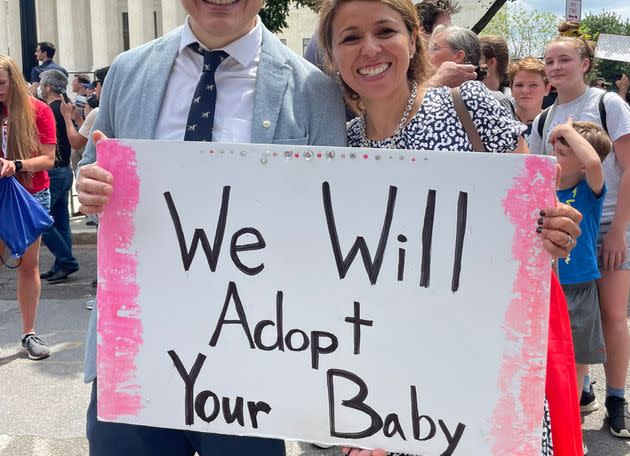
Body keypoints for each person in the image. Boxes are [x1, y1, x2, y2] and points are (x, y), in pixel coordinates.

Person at [75, 0, 347, 454]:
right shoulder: (128, 71)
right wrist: (91, 186)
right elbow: (92, 169)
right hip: (136, 350)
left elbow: (332, 221)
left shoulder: (313, 90)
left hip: (253, 359)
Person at [317, 0, 584, 453]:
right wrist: (360, 414)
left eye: (384, 31)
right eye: (349, 37)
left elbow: (535, 227)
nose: (369, 49)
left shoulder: (469, 105)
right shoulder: (342, 147)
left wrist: (557, 230)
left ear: (412, 39)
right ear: (332, 56)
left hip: (487, 375)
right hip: (392, 392)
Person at [529, 24, 630, 439]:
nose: (555, 67)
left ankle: (617, 401)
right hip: (565, 229)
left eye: (564, 59)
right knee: (566, 317)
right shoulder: (542, 118)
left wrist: (619, 230)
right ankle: (580, 394)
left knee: (611, 315)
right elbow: (534, 175)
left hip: (608, 219)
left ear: (585, 64)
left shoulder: (607, 104)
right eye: (549, 61)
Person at [551, 120, 611, 454]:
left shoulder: (591, 190)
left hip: (580, 288)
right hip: (548, 289)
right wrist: (567, 135)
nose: (558, 147)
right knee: (550, 360)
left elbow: (593, 163)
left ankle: (569, 426)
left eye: (566, 146)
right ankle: (552, 420)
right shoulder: (546, 183)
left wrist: (568, 128)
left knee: (576, 363)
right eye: (557, 143)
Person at [0, 55, 56, 359]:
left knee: (27, 266)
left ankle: (28, 333)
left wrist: (15, 164)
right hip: (2, 195)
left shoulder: (39, 111)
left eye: (1, 84)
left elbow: (48, 160)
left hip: (31, 196)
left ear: (15, 82)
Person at [37, 69, 80, 283]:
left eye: (42, 84)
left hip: (52, 172)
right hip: (64, 171)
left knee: (41, 222)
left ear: (47, 87)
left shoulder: (47, 110)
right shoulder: (66, 107)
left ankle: (67, 260)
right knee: (62, 221)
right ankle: (61, 264)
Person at [508, 57, 550, 139]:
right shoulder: (503, 124)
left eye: (533, 85)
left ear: (547, 89)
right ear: (511, 89)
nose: (525, 91)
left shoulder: (553, 123)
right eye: (519, 85)